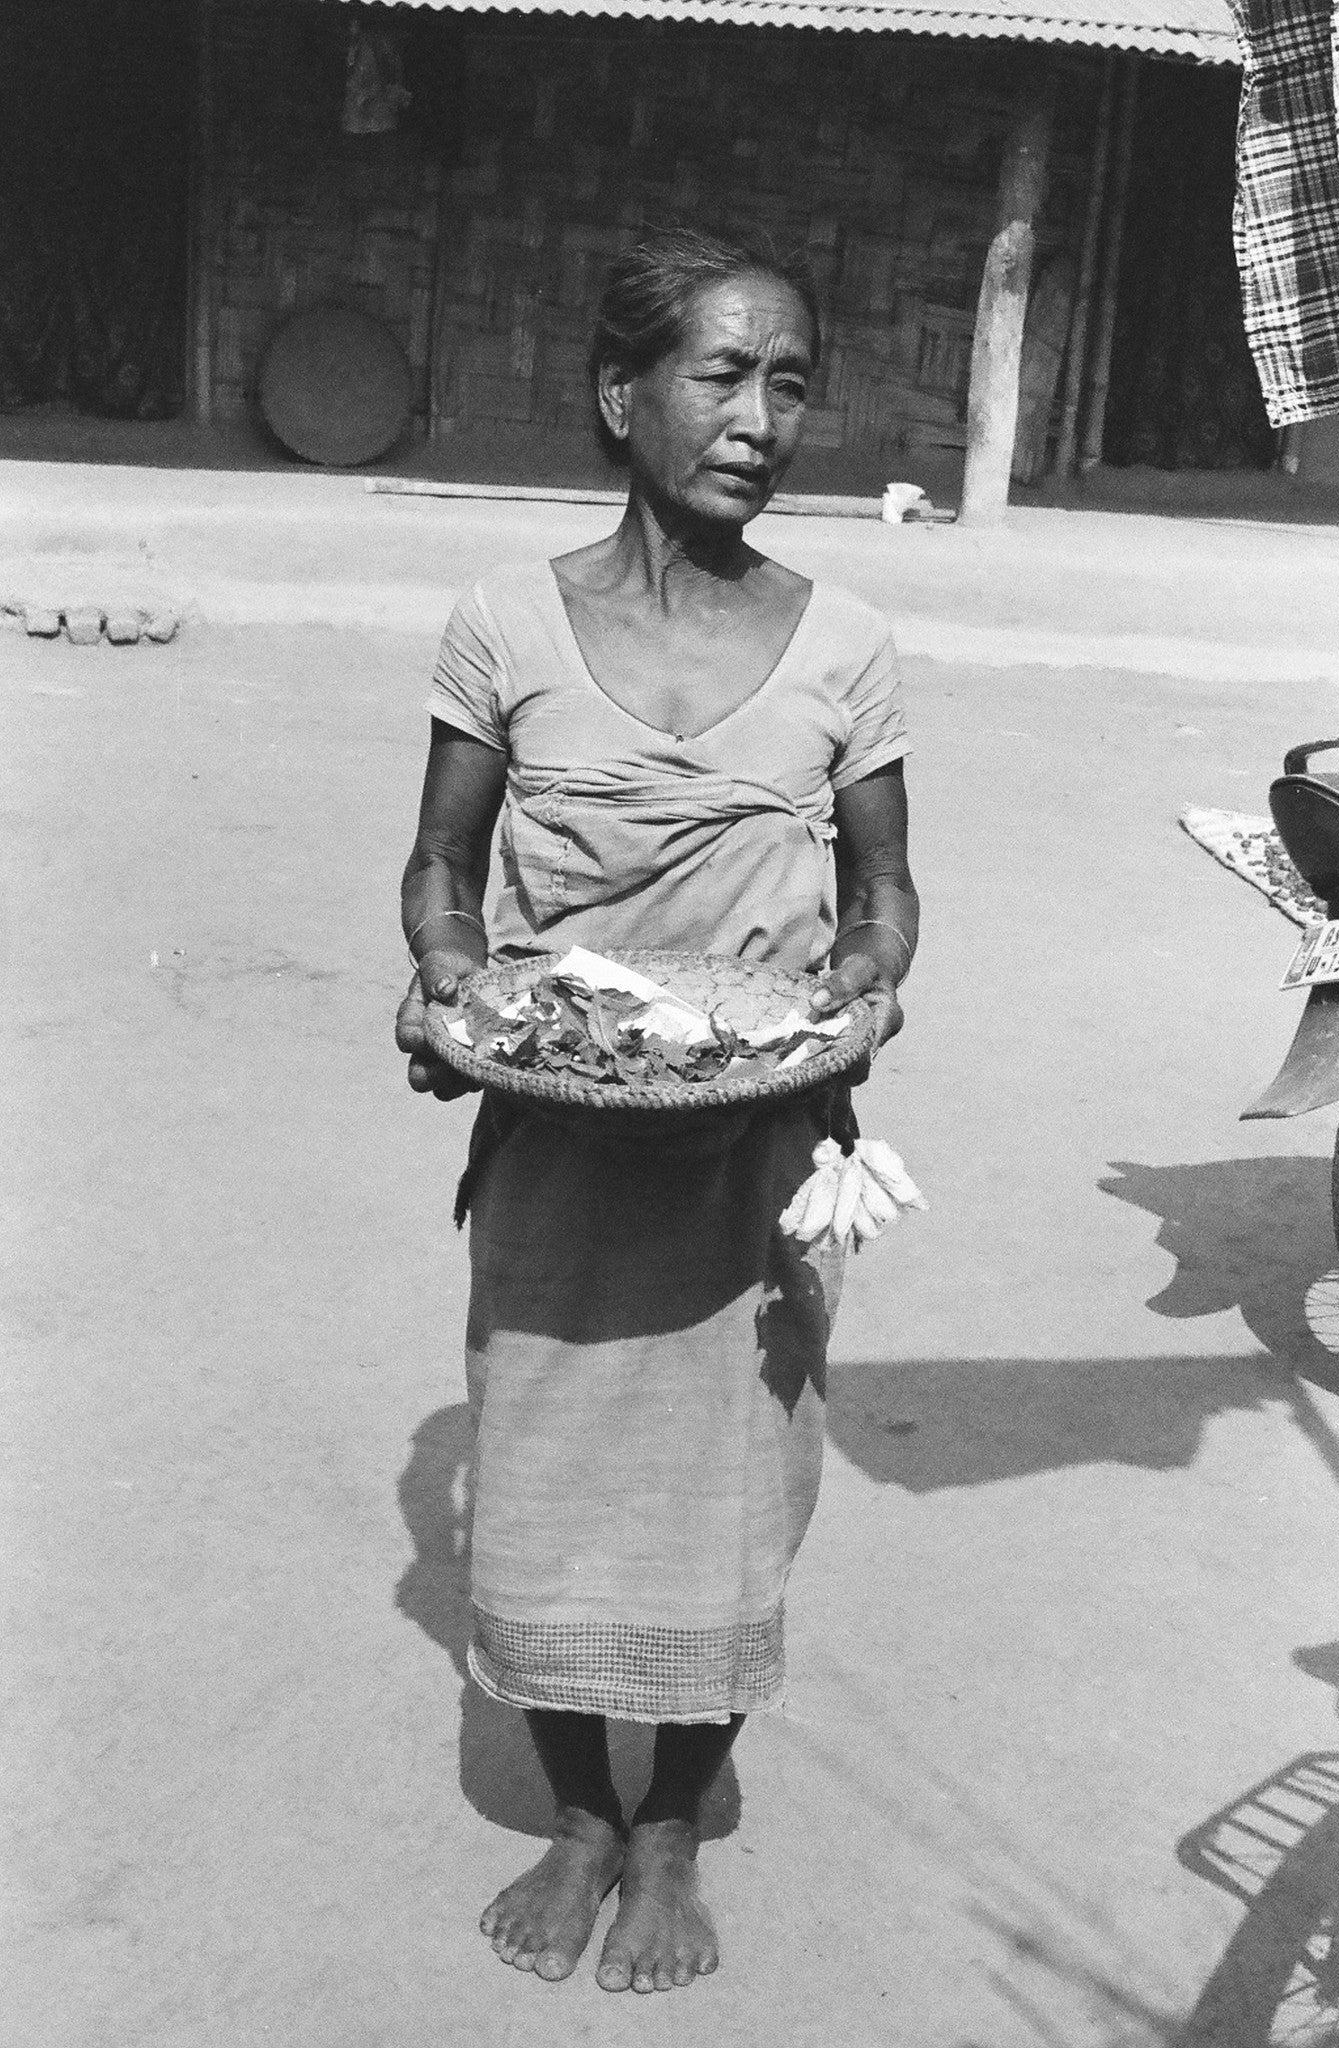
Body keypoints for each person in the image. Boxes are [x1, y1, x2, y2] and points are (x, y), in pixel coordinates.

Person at [395, 226, 919, 1994]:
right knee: (537, 1469)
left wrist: (865, 985)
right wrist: (456, 991)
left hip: (761, 1140)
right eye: (719, 374)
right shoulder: (506, 623)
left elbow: (883, 895)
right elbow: (441, 875)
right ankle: (580, 1820)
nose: (761, 417)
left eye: (788, 382)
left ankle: (676, 1825)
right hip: (559, 1129)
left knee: (733, 1489)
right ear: (621, 396)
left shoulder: (844, 643)